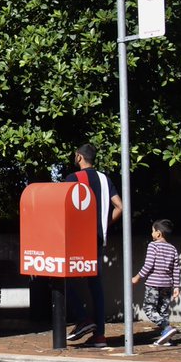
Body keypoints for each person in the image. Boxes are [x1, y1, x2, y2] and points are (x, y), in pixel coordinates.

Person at [64, 143, 123, 348]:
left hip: (77, 239)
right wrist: (103, 225)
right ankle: (100, 336)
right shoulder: (105, 180)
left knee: (63, 279)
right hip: (97, 239)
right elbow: (120, 207)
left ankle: (83, 319)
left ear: (79, 157)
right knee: (95, 284)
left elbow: (66, 209)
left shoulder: (73, 179)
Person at [131, 219, 181, 346]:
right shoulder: (172, 249)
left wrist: (137, 277)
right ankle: (167, 338)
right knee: (163, 311)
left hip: (153, 283)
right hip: (167, 284)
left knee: (149, 309)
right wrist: (176, 286)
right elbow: (176, 269)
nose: (151, 233)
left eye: (152, 231)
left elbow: (148, 265)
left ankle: (167, 327)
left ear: (158, 233)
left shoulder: (152, 246)